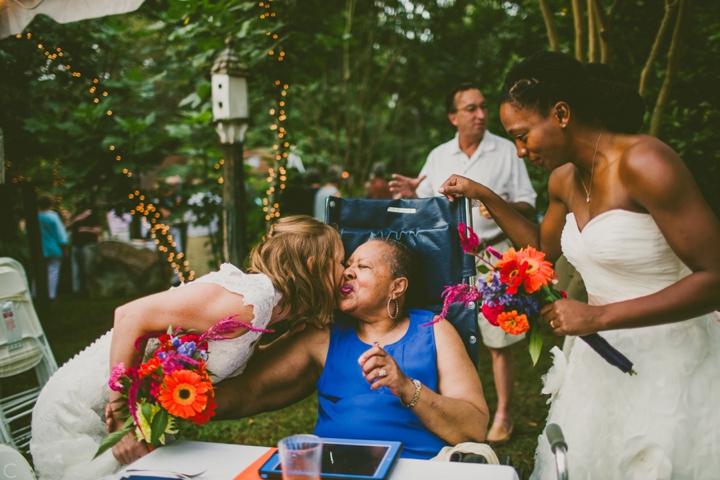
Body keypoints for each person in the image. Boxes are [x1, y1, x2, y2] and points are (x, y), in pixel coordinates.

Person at [438, 51, 720, 479]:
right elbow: (539, 250)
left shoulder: (647, 163)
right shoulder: (564, 180)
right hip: (599, 366)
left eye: (523, 135)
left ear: (562, 113)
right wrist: (485, 195)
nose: (519, 151)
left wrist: (599, 314)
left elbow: (714, 277)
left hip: (674, 361)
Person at [30, 216, 345, 480]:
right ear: (314, 265)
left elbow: (232, 356)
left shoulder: (271, 308)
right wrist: (124, 417)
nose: (346, 271)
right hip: (83, 411)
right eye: (341, 262)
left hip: (124, 409)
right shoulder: (249, 301)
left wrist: (288, 341)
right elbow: (129, 316)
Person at [212, 238, 489, 460]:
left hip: (418, 469)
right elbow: (249, 392)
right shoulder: (322, 334)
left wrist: (406, 387)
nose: (347, 271)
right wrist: (180, 400)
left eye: (363, 266)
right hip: (337, 468)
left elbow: (474, 428)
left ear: (397, 287)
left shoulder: (434, 330)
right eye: (347, 264)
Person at [389, 82, 537, 444]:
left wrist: (501, 205)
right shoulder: (440, 155)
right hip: (449, 258)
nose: (481, 115)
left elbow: (529, 205)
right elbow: (426, 207)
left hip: (494, 257)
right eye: (471, 109)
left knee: (499, 341)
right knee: (450, 335)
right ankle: (457, 407)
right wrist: (412, 195)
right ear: (453, 117)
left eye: (483, 107)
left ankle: (503, 413)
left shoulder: (506, 151)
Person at [66, 199, 102, 296]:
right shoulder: (75, 216)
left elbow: (98, 230)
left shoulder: (92, 215)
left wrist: (86, 229)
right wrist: (76, 219)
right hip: (75, 245)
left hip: (87, 245)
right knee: (76, 270)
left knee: (87, 269)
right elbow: (67, 226)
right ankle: (76, 290)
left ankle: (87, 289)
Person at [37, 194, 69, 301]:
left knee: (38, 271)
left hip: (39, 248)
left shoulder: (35, 217)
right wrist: (64, 247)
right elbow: (61, 234)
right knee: (53, 272)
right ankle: (51, 295)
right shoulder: (52, 216)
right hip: (54, 248)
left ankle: (35, 293)